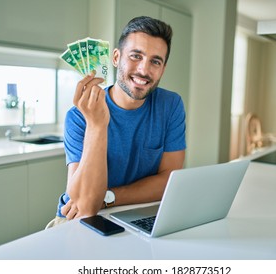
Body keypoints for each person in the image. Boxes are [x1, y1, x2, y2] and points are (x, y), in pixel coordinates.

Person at [52, 16, 186, 226]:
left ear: (163, 68)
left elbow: (170, 181)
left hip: (136, 213)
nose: (144, 69)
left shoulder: (171, 105)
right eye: (136, 56)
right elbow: (86, 207)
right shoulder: (79, 116)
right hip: (77, 219)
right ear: (116, 57)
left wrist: (109, 197)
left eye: (155, 61)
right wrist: (97, 125)